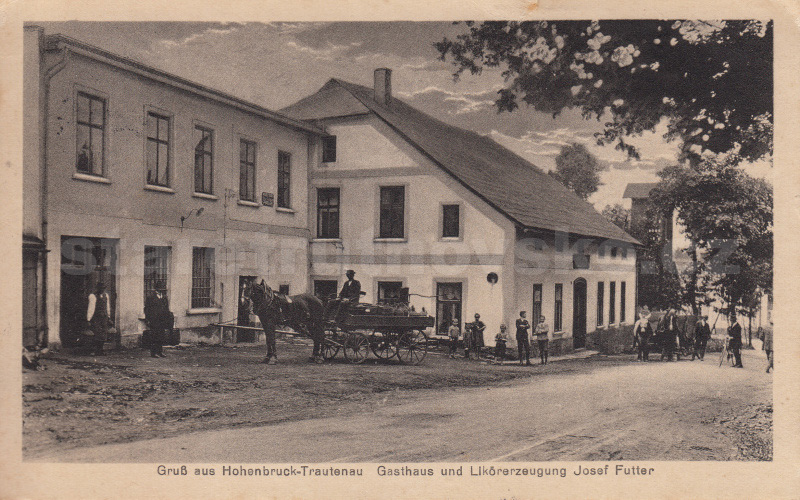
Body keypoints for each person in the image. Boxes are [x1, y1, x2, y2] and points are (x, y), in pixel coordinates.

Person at [144, 281, 173, 358]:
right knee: (154, 336)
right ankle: (154, 353)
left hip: (162, 320)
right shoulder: (151, 297)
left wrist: (167, 318)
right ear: (157, 288)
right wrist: (148, 319)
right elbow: (147, 309)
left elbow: (166, 309)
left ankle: (160, 352)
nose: (163, 289)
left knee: (161, 335)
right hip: (154, 320)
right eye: (161, 287)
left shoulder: (164, 297)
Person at [86, 281, 111, 356]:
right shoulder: (93, 296)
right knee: (97, 333)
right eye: (100, 288)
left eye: (103, 288)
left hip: (104, 317)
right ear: (97, 288)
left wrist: (109, 317)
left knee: (103, 333)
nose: (102, 290)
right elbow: (91, 308)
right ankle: (94, 350)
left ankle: (101, 350)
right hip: (96, 317)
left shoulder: (106, 296)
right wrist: (88, 319)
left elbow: (107, 307)